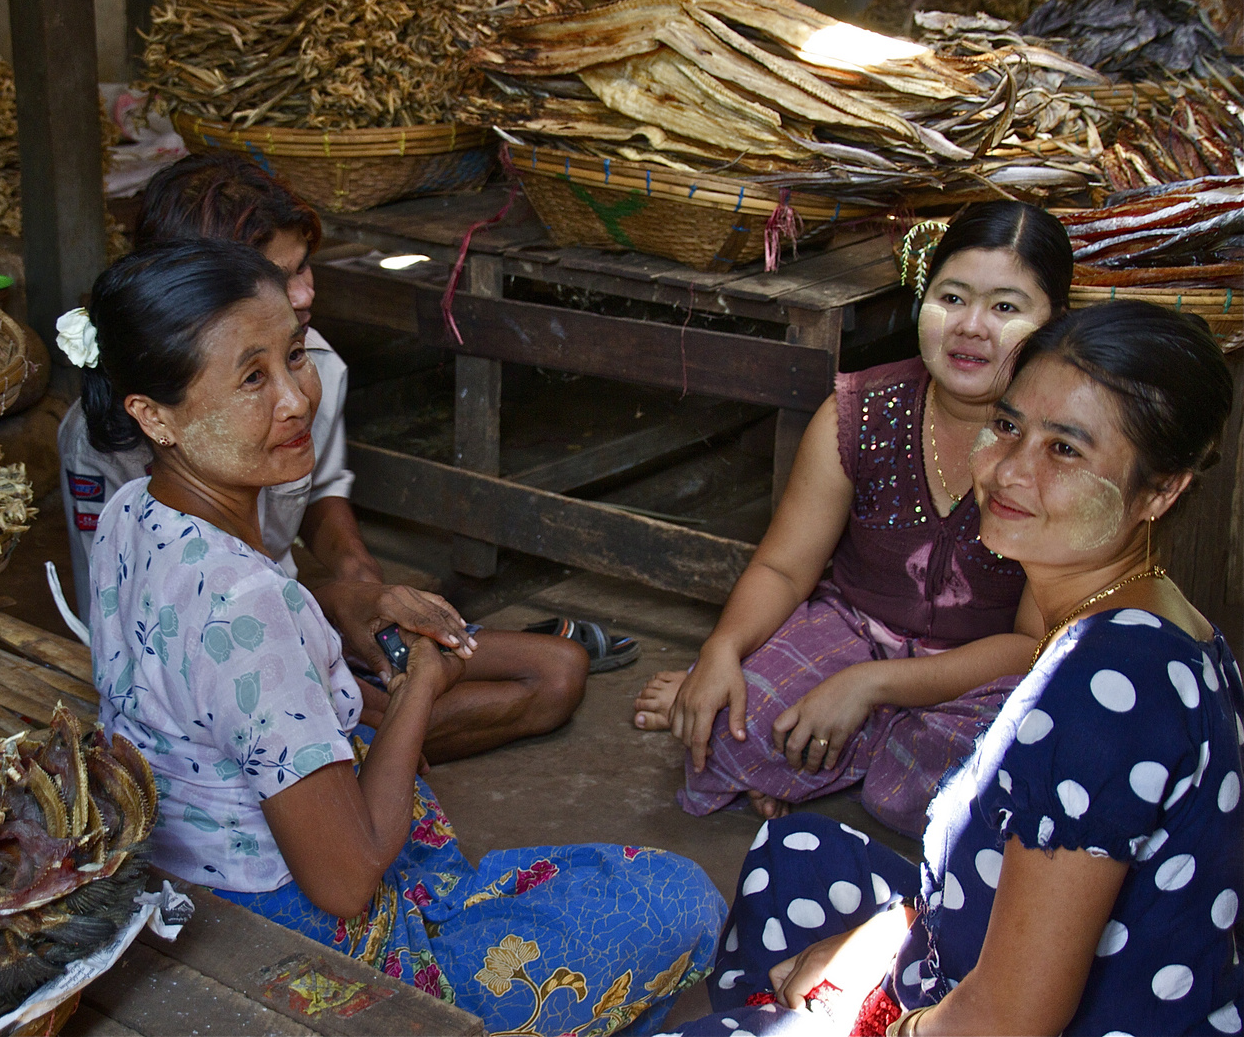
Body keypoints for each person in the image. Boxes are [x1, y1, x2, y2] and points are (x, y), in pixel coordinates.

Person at [79, 239, 727, 1035]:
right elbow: (346, 886)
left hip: (194, 877)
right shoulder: (248, 607)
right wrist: (422, 683)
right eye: (252, 377)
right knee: (681, 900)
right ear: (153, 414)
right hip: (291, 931)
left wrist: (348, 603)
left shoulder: (133, 513)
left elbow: (201, 641)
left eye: (294, 356)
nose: (295, 398)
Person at [680, 300, 1239, 1036]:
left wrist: (875, 1014)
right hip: (996, 963)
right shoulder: (1150, 622)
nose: (1008, 470)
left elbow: (1004, 1022)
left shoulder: (1110, 689)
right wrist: (887, 934)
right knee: (795, 853)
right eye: (1006, 427)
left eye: (1063, 451)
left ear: (1159, 491)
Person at [59, 153, 620, 765]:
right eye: (279, 275)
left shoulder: (308, 368)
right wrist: (331, 625)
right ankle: (359, 741)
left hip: (295, 613)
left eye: (305, 268)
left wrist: (360, 586)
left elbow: (319, 494)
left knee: (558, 672)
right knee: (401, 707)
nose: (304, 294)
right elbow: (158, 624)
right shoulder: (110, 446)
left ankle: (369, 730)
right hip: (218, 656)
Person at [634, 201, 1074, 834]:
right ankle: (836, 748)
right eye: (952, 297)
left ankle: (836, 753)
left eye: (1006, 308)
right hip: (853, 628)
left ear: (1053, 323)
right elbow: (785, 568)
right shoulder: (859, 413)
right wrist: (722, 650)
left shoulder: (1056, 451)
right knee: (731, 727)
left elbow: (1032, 644)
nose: (971, 326)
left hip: (977, 669)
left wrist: (870, 687)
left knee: (991, 777)